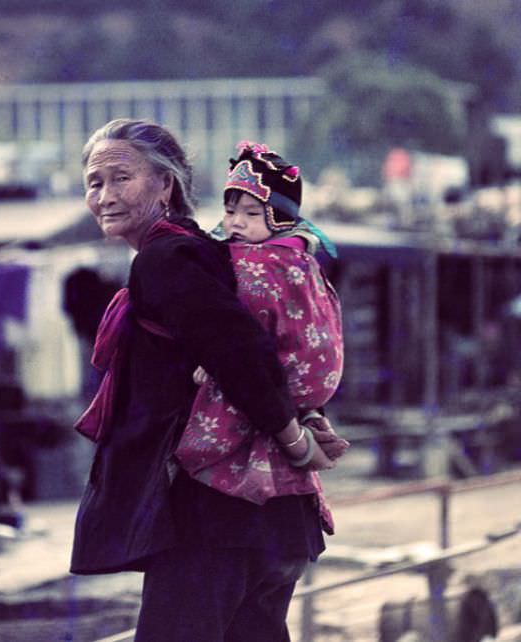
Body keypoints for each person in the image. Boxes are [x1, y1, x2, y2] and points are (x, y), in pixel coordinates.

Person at [70, 119, 335, 642]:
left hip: (212, 516)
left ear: (165, 185)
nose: (104, 195)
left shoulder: (166, 258)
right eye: (93, 182)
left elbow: (241, 349)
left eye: (120, 178)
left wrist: (293, 438)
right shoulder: (201, 250)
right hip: (260, 517)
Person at [176, 141, 348, 514]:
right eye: (229, 210)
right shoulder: (301, 258)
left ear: (280, 218)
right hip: (301, 394)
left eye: (252, 213)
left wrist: (214, 355)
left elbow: (242, 332)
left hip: (274, 385)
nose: (235, 222)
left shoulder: (259, 268)